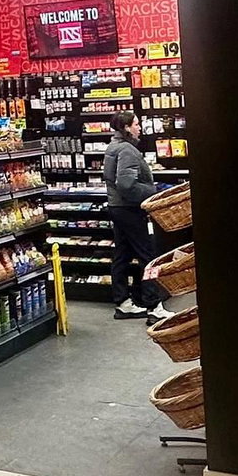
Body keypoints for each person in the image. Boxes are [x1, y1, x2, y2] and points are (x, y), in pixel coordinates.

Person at [103, 110, 160, 319]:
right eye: (136, 124)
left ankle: (123, 303)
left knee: (122, 254)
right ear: (126, 127)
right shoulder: (127, 149)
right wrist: (152, 191)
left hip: (117, 207)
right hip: (129, 208)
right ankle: (154, 306)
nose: (139, 128)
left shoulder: (114, 146)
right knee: (147, 255)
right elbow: (127, 185)